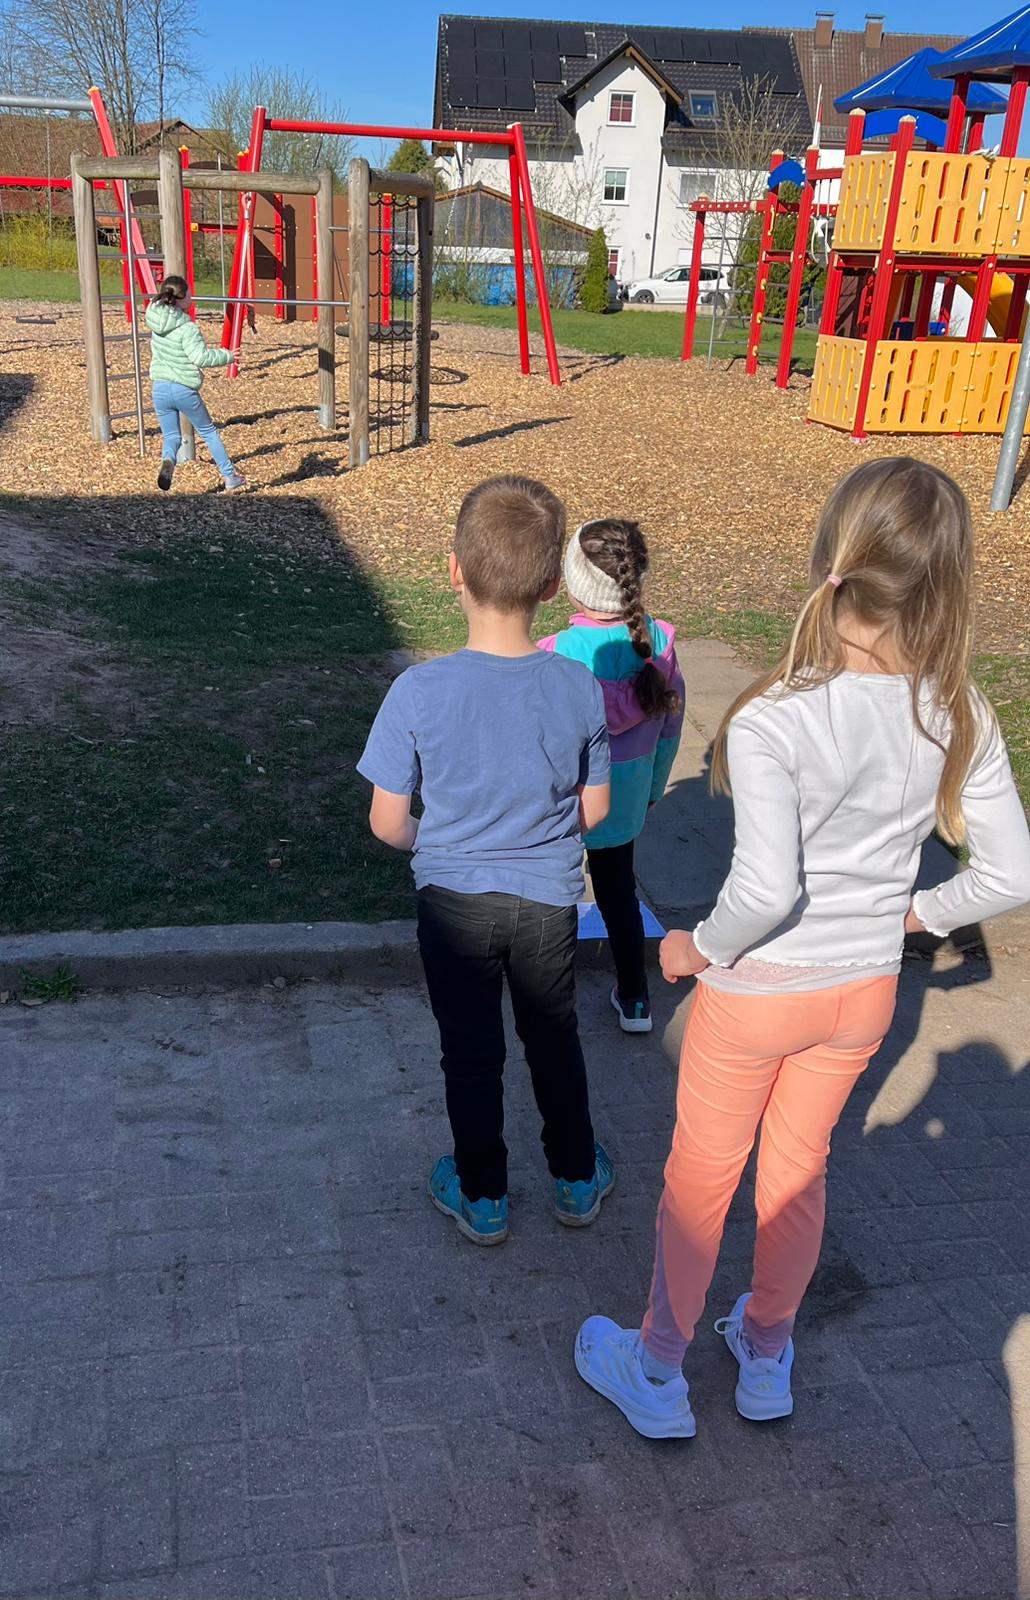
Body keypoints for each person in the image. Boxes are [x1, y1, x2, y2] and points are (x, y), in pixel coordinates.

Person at [574, 457, 1030, 1439]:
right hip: (861, 995)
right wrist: (914, 915)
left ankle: (657, 1369)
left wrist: (695, 949)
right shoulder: (958, 706)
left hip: (758, 992)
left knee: (702, 1178)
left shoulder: (778, 714)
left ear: (833, 557)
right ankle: (766, 1351)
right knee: (798, 1169)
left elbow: (765, 890)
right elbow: (1010, 874)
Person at [358, 476, 615, 1246]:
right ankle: (576, 1179)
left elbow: (387, 823)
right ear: (550, 585)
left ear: (454, 571)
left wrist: (439, 843)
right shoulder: (578, 685)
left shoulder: (417, 690)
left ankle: (483, 1196)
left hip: (452, 905)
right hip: (545, 903)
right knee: (554, 1038)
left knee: (469, 1052)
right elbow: (596, 811)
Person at [539, 519, 683, 1034]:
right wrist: (652, 790)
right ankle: (636, 1000)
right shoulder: (659, 642)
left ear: (572, 582)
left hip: (564, 803)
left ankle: (548, 996)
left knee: (556, 895)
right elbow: (671, 729)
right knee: (619, 895)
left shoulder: (552, 653)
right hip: (625, 801)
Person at [145, 275, 245, 493]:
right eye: (189, 291)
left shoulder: (156, 321)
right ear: (181, 297)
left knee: (171, 436)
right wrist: (227, 356)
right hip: (183, 389)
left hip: (160, 387)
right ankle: (230, 476)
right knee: (208, 432)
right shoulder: (187, 328)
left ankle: (168, 460)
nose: (192, 295)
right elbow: (200, 358)